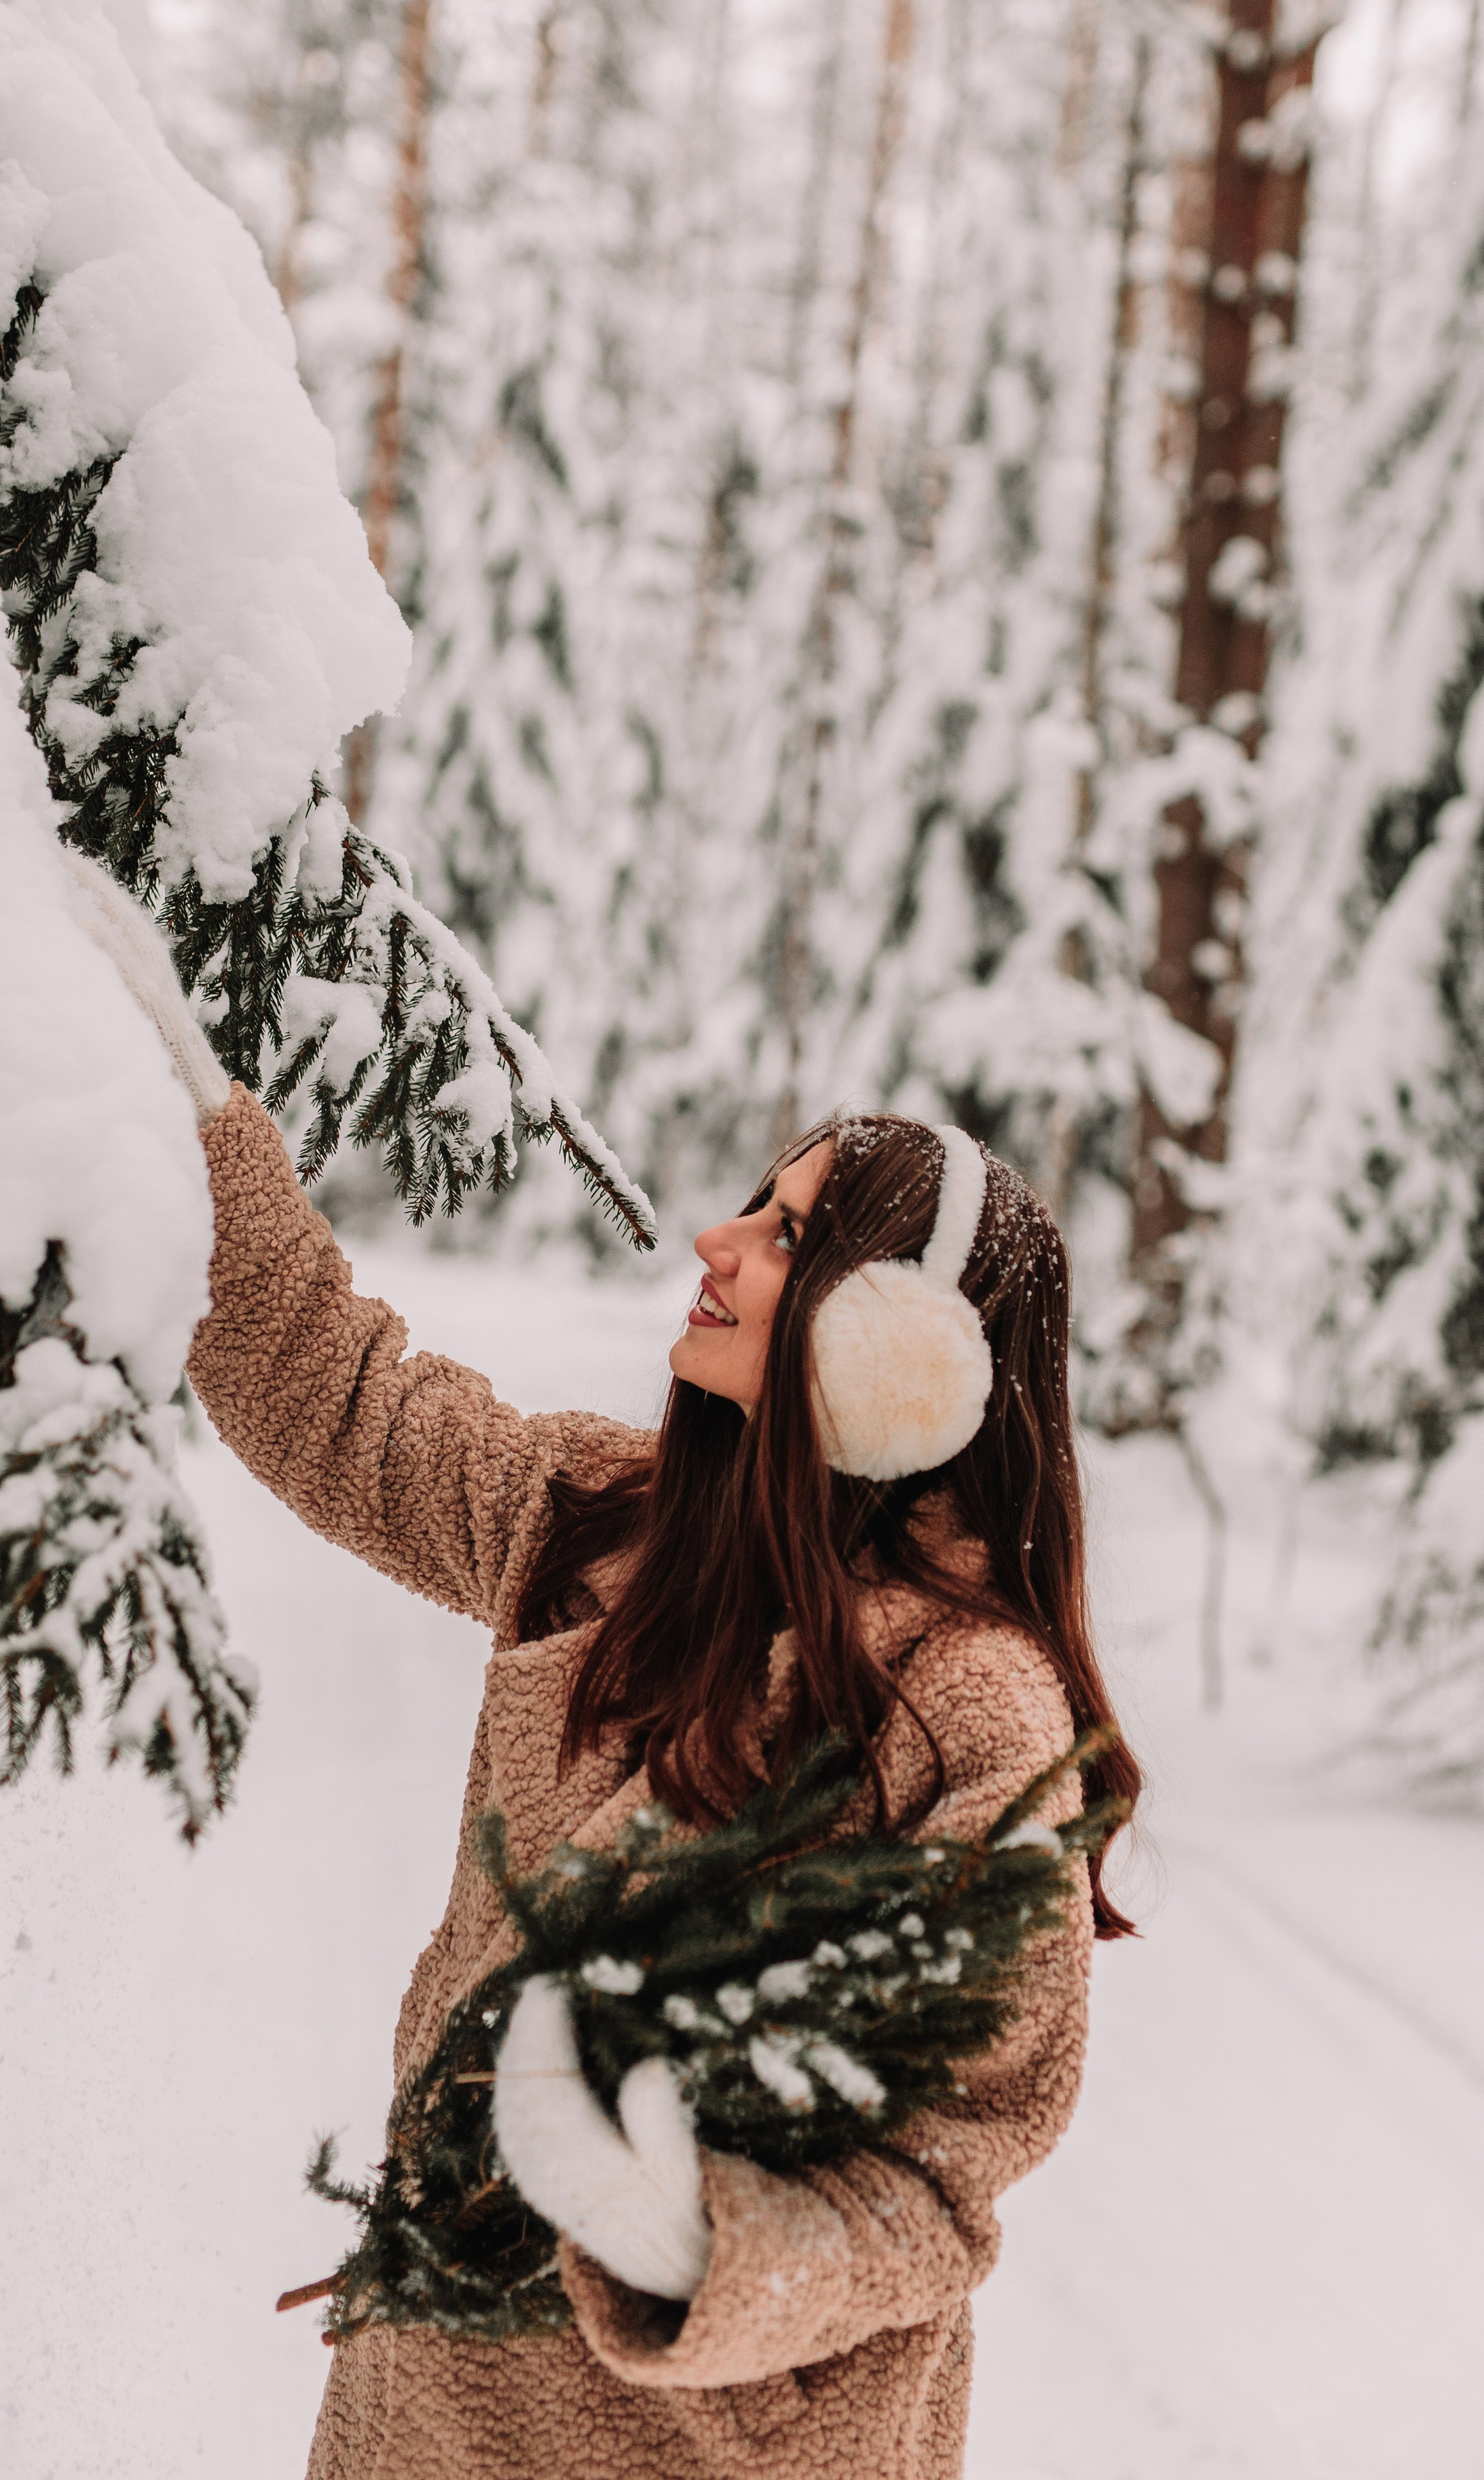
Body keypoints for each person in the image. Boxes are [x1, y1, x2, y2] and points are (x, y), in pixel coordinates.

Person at [64, 853, 1143, 2480]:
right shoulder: (605, 1529)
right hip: (423, 2417)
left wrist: (688, 2235)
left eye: (783, 1232)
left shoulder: (972, 1704)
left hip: (712, 2448)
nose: (713, 1235)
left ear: (898, 1350)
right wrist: (192, 1110)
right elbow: (337, 1396)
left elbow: (944, 2168)